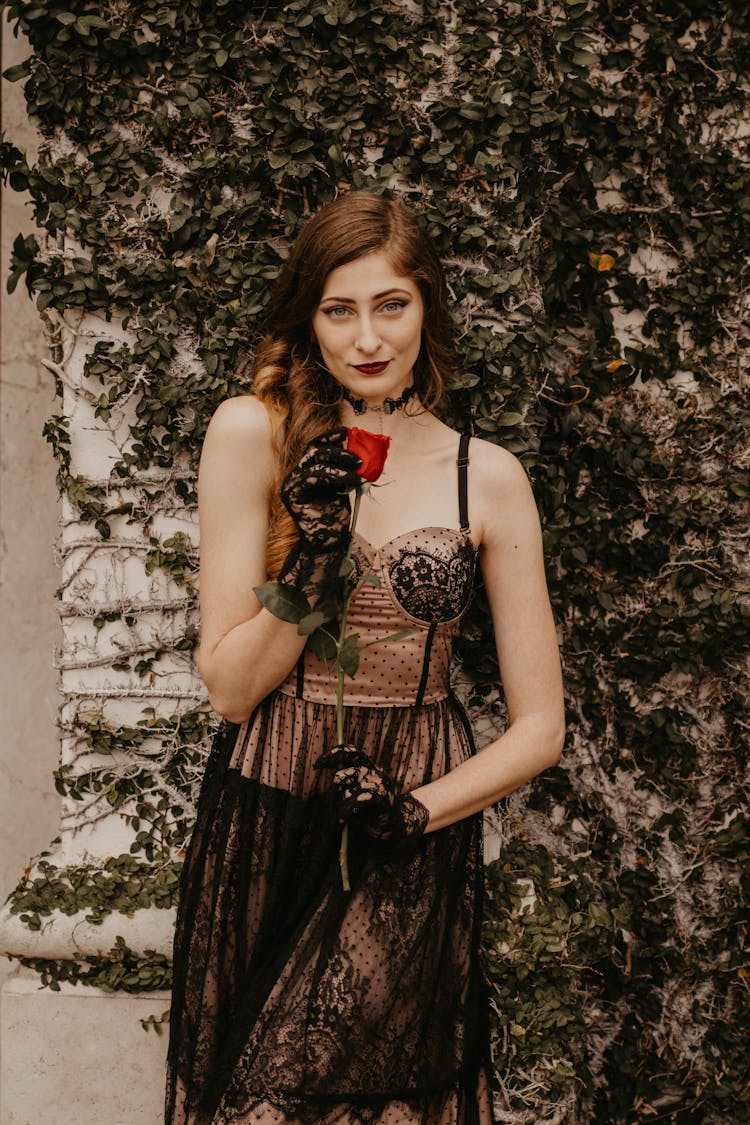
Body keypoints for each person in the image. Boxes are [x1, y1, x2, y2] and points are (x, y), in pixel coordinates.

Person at [165, 191, 565, 1125]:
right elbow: (230, 689)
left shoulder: (487, 473)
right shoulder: (251, 434)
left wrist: (414, 812)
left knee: (379, 1108)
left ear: (427, 307)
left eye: (392, 304)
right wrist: (311, 560)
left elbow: (541, 727)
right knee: (254, 1103)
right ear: (309, 317)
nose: (367, 336)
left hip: (410, 829)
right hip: (268, 808)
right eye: (339, 309)